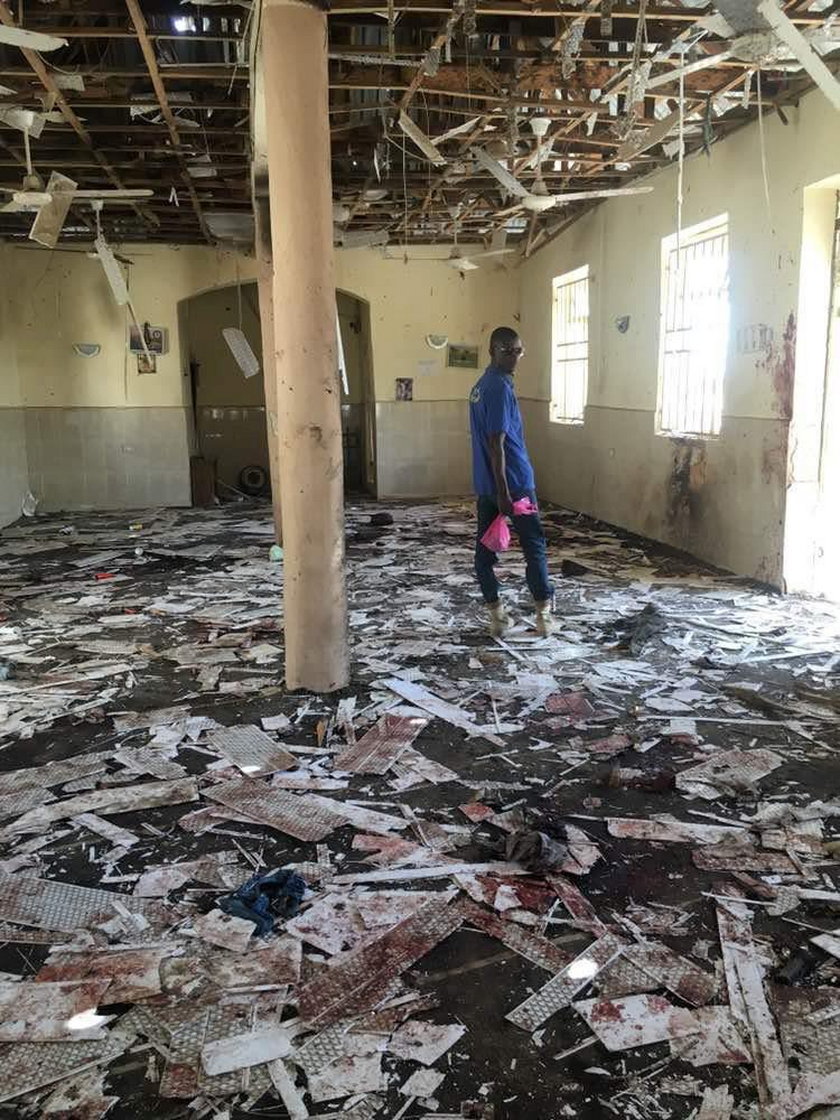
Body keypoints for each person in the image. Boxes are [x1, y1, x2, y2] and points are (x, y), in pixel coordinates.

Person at [469, 326, 554, 637]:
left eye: (518, 350)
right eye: (507, 350)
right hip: (514, 485)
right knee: (534, 547)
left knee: (484, 554)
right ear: (492, 350)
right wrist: (505, 493)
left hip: (488, 486)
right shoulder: (499, 388)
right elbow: (497, 443)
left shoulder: (480, 386)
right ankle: (544, 616)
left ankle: (497, 617)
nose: (515, 357)